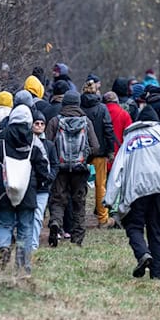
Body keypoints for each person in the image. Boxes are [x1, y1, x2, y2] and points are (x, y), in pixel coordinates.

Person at [104, 118, 160, 281]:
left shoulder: (128, 140)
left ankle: (143, 253)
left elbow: (116, 170)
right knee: (156, 229)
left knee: (133, 226)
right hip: (159, 186)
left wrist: (109, 200)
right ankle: (157, 272)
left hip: (135, 189)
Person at [0, 105, 51, 273]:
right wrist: (42, 183)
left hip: (3, 188)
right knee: (25, 227)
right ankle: (22, 266)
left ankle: (4, 247)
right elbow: (44, 168)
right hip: (27, 190)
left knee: (4, 223)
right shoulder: (35, 141)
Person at [45, 90, 99, 247]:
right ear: (78, 103)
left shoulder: (55, 121)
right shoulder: (86, 122)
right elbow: (95, 147)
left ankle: (55, 223)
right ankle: (78, 237)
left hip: (60, 169)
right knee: (79, 202)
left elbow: (48, 144)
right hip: (80, 169)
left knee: (57, 200)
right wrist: (85, 156)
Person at [81, 77, 116, 227]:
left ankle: (78, 218)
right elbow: (108, 129)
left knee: (79, 186)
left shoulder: (79, 107)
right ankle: (102, 219)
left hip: (81, 153)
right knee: (100, 186)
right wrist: (110, 150)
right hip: (100, 153)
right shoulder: (102, 108)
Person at [30, 110, 57, 252]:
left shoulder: (49, 145)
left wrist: (50, 177)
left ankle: (33, 245)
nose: (39, 126)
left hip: (43, 186)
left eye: (42, 124)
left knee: (38, 216)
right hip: (29, 185)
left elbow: (54, 163)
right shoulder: (27, 143)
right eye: (36, 123)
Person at [103, 91, 132, 157]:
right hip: (119, 153)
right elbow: (129, 135)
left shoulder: (100, 113)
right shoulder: (124, 114)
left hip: (103, 155)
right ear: (117, 100)